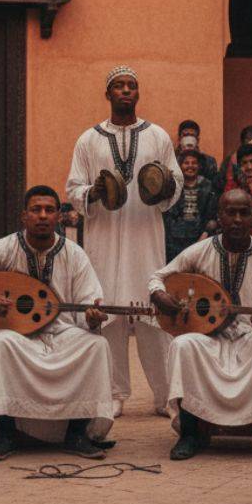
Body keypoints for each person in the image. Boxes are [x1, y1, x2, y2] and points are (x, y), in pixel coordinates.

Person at [0, 185, 115, 461]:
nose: (42, 216)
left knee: (96, 346)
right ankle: (6, 434)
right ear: (23, 216)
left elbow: (90, 299)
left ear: (59, 217)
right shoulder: (3, 248)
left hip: (62, 331)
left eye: (50, 210)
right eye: (36, 210)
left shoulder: (74, 254)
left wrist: (91, 316)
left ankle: (76, 434)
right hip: (17, 333)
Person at [149, 189, 252, 462]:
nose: (236, 219)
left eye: (243, 213)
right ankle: (189, 434)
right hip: (209, 338)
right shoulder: (200, 251)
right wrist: (159, 295)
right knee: (183, 345)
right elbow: (158, 277)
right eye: (230, 213)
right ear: (219, 216)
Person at [66, 65, 182, 418]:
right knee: (111, 316)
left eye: (132, 85)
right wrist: (93, 192)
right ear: (108, 94)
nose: (126, 90)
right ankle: (116, 393)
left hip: (145, 237)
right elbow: (73, 189)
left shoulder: (158, 136)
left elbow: (175, 178)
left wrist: (165, 187)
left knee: (153, 317)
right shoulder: (89, 139)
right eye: (119, 86)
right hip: (104, 238)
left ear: (138, 93)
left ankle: (165, 396)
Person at [164, 149, 218, 261]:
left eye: (194, 163)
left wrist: (204, 235)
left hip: (200, 238)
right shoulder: (174, 186)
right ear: (180, 165)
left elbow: (211, 217)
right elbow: (168, 215)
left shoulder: (208, 186)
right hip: (175, 240)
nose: (190, 166)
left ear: (199, 166)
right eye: (186, 163)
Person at [176, 120, 220, 187]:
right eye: (185, 135)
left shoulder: (208, 161)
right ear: (179, 139)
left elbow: (213, 185)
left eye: (192, 135)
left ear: (198, 140)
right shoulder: (172, 158)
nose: (189, 138)